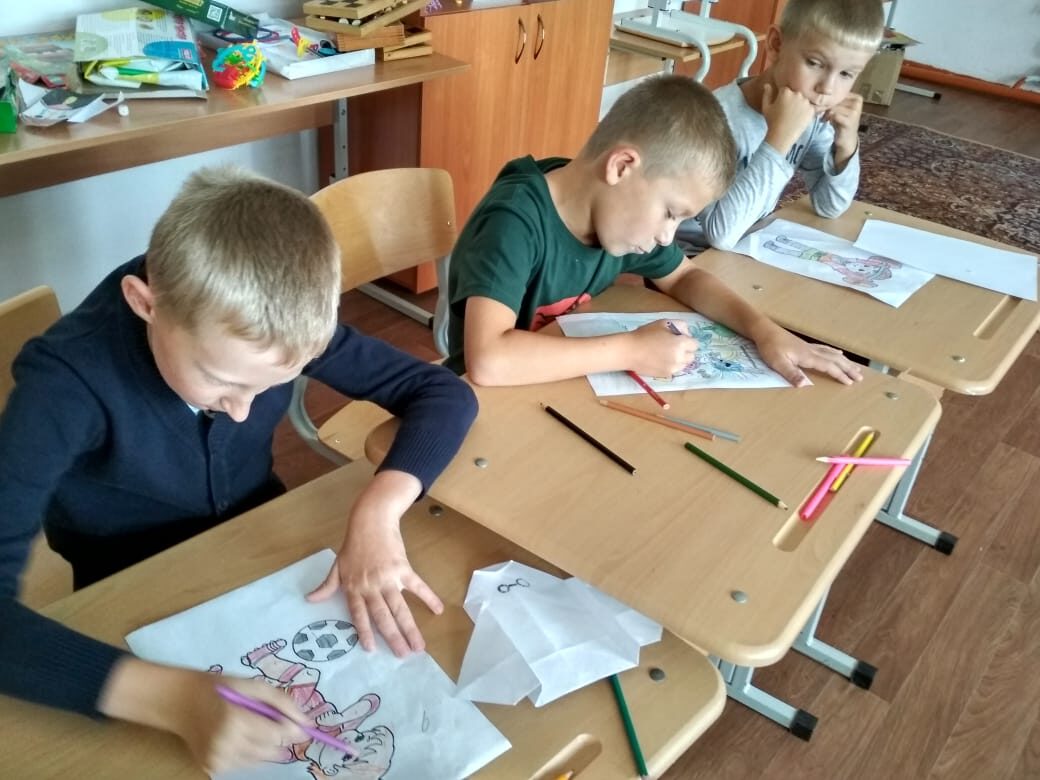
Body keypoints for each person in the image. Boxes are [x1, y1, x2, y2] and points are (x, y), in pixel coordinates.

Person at [0, 167, 477, 772]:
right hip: (126, 584)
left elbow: (441, 393)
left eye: (272, 385)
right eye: (220, 381)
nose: (243, 411)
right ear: (145, 304)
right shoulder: (65, 383)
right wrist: (175, 699)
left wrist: (379, 510)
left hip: (255, 552)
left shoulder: (272, 323)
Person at [446, 73, 863, 388]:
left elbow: (685, 276)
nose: (667, 236)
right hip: (480, 399)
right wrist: (630, 350)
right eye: (670, 213)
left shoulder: (613, 212)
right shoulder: (515, 222)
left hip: (558, 387)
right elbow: (488, 361)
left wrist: (765, 331)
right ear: (622, 167)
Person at [677, 0, 885, 252]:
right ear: (776, 45)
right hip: (682, 257)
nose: (827, 89)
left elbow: (830, 206)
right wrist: (778, 140)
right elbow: (721, 236)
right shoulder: (715, 120)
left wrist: (846, 146)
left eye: (846, 74)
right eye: (815, 63)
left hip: (742, 249)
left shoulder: (811, 116)